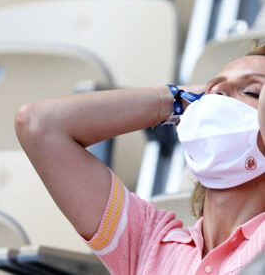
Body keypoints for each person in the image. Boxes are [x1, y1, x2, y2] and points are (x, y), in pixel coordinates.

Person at [15, 41, 265, 275]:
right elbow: (39, 124)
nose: (218, 93)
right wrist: (177, 100)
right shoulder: (148, 242)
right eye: (212, 90)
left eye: (253, 92)